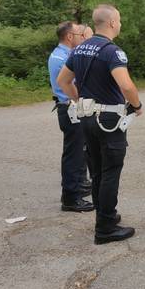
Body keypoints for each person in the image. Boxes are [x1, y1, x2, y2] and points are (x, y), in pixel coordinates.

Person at [57, 4, 142, 244]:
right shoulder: (112, 51)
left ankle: (106, 216)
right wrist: (136, 105)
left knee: (96, 172)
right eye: (120, 20)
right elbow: (126, 85)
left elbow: (63, 80)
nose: (121, 24)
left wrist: (79, 100)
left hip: (86, 117)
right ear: (113, 22)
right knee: (110, 172)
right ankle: (105, 228)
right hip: (109, 121)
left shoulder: (80, 48)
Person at [48, 21, 93, 212]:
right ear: (69, 37)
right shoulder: (64, 58)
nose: (80, 37)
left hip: (67, 107)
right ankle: (70, 198)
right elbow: (73, 84)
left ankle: (78, 185)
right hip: (70, 108)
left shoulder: (61, 54)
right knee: (73, 154)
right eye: (77, 34)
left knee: (77, 150)